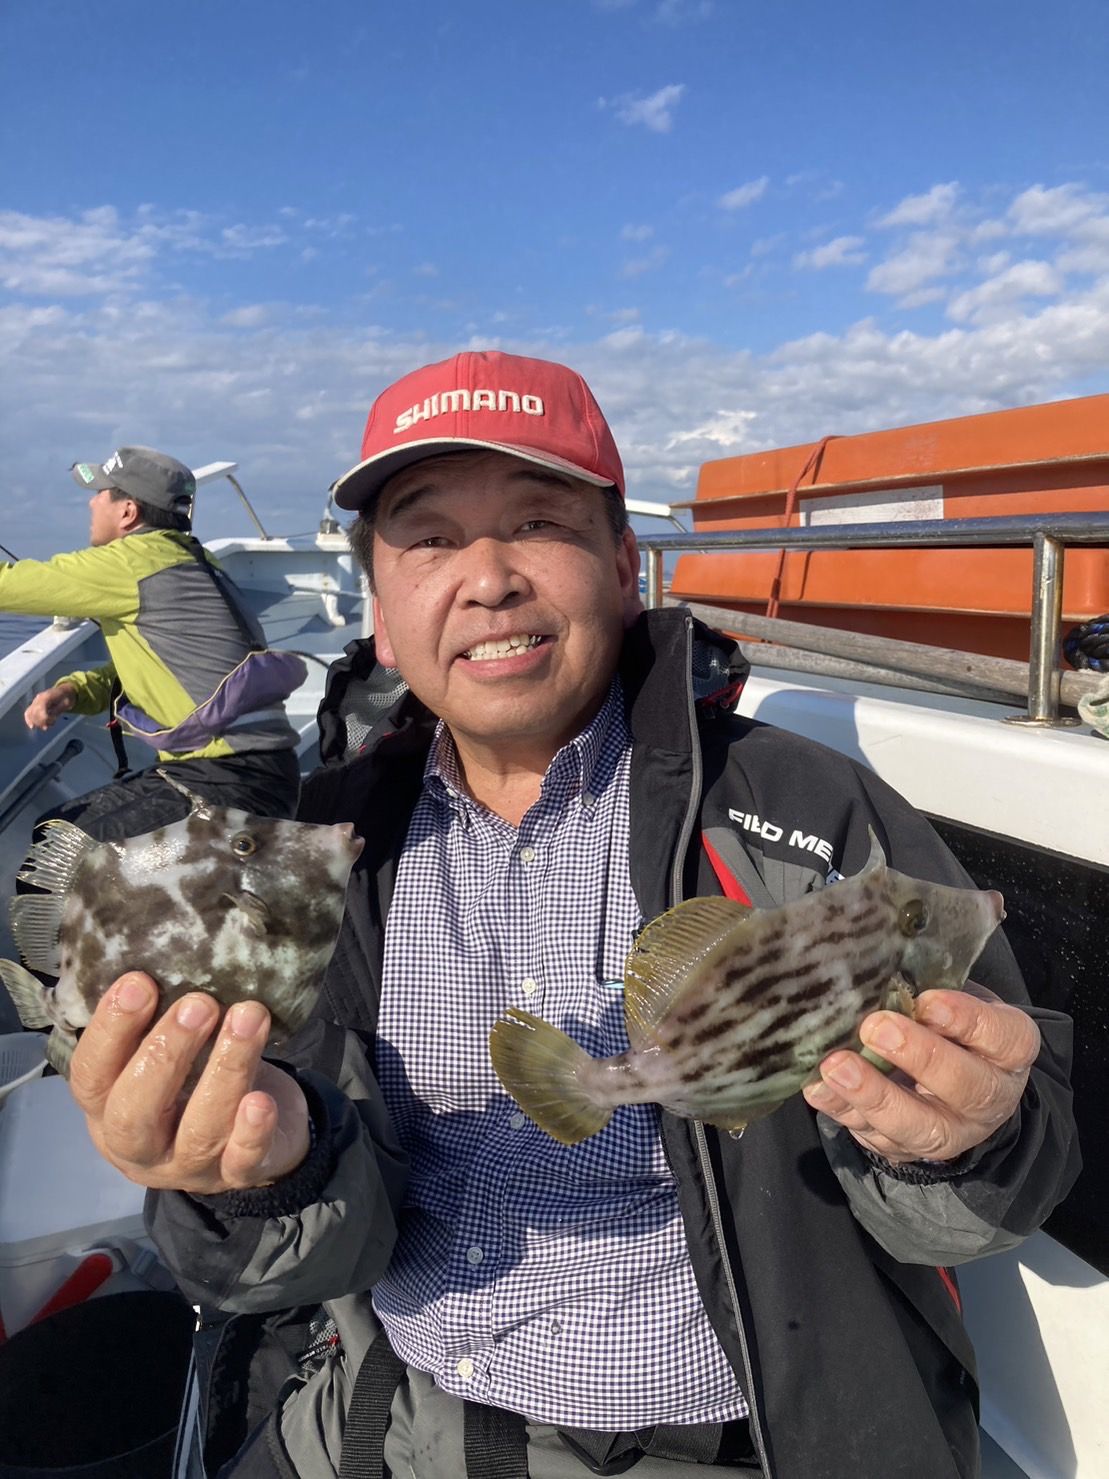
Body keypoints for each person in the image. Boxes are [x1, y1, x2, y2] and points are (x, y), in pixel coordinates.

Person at [67, 355, 1079, 1479]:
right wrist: (257, 1178)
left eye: (538, 522)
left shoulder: (802, 811)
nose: (488, 580)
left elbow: (997, 1185)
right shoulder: (323, 850)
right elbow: (288, 1261)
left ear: (622, 567)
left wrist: (963, 1140)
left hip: (716, 1444)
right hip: (386, 1408)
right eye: (430, 538)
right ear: (382, 615)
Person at [0, 445, 304, 836]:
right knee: (56, 830)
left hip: (230, 778)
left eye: (100, 493)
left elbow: (7, 586)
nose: (91, 503)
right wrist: (76, 690)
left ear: (128, 511)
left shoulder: (132, 562)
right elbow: (169, 666)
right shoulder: (193, 560)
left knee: (62, 844)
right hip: (256, 772)